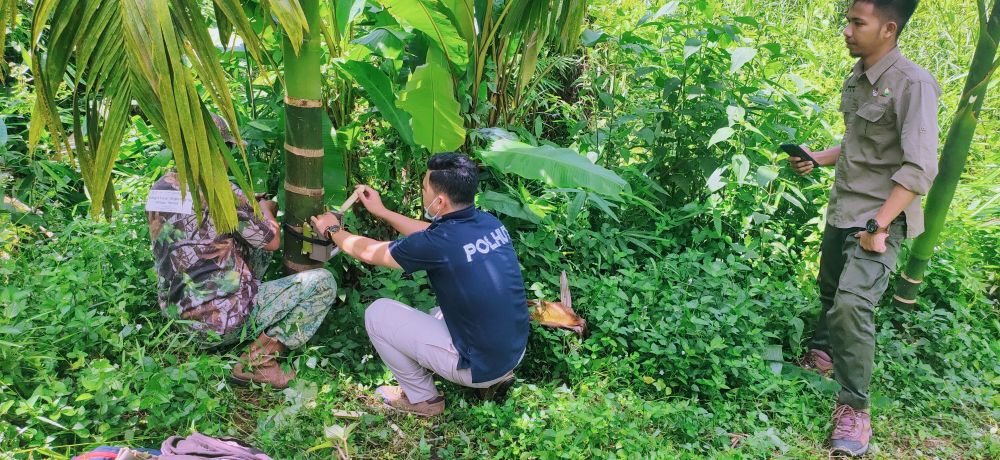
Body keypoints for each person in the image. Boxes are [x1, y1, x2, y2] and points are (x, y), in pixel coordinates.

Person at [787, 0, 939, 456]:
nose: (847, 31)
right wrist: (817, 157)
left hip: (880, 217)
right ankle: (822, 351)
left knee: (853, 304)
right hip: (845, 207)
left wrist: (880, 223)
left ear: (888, 29)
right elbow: (858, 145)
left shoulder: (913, 84)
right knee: (831, 289)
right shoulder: (858, 79)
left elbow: (919, 169)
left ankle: (854, 408)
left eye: (858, 23)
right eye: (848, 21)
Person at [310, 153, 529, 417]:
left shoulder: (441, 243)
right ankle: (498, 375)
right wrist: (382, 212)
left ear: (440, 201)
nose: (422, 191)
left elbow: (370, 252)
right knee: (438, 312)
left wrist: (333, 231)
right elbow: (430, 234)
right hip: (513, 352)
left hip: (480, 367)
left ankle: (424, 400)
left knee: (378, 314)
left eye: (424, 188)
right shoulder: (488, 223)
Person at [147, 114, 336, 389]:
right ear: (216, 150)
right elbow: (271, 240)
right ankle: (258, 362)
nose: (230, 157)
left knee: (244, 246)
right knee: (322, 283)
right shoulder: (222, 190)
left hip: (178, 320)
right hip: (218, 323)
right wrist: (265, 210)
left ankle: (233, 329)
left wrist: (247, 209)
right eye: (229, 149)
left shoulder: (160, 186)